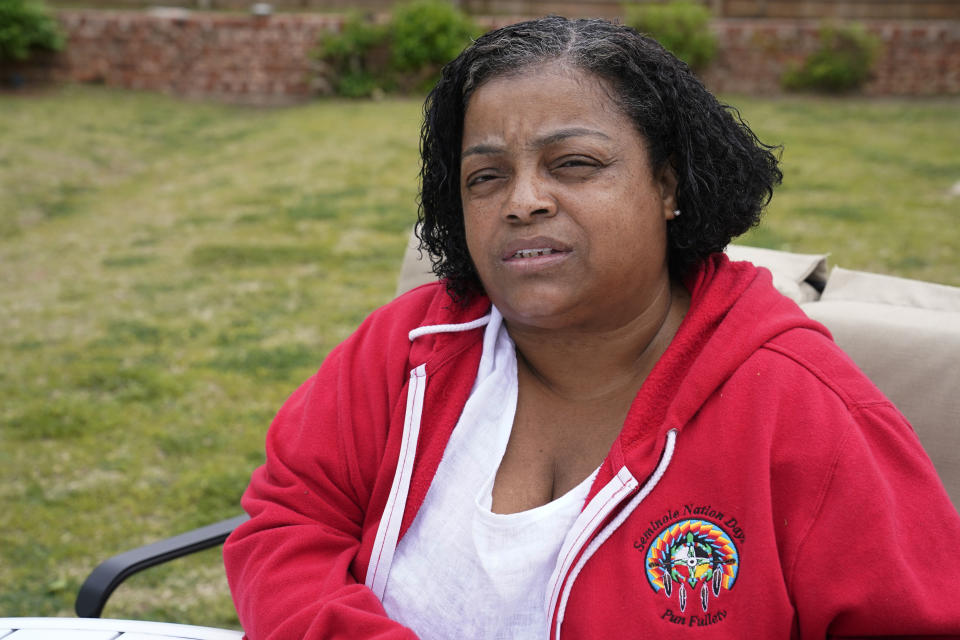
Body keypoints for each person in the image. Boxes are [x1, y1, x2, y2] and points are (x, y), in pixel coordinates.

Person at [223, 16, 960, 639]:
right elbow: (288, 525)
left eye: (573, 163)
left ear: (668, 184)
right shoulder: (408, 348)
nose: (522, 201)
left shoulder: (801, 409)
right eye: (485, 176)